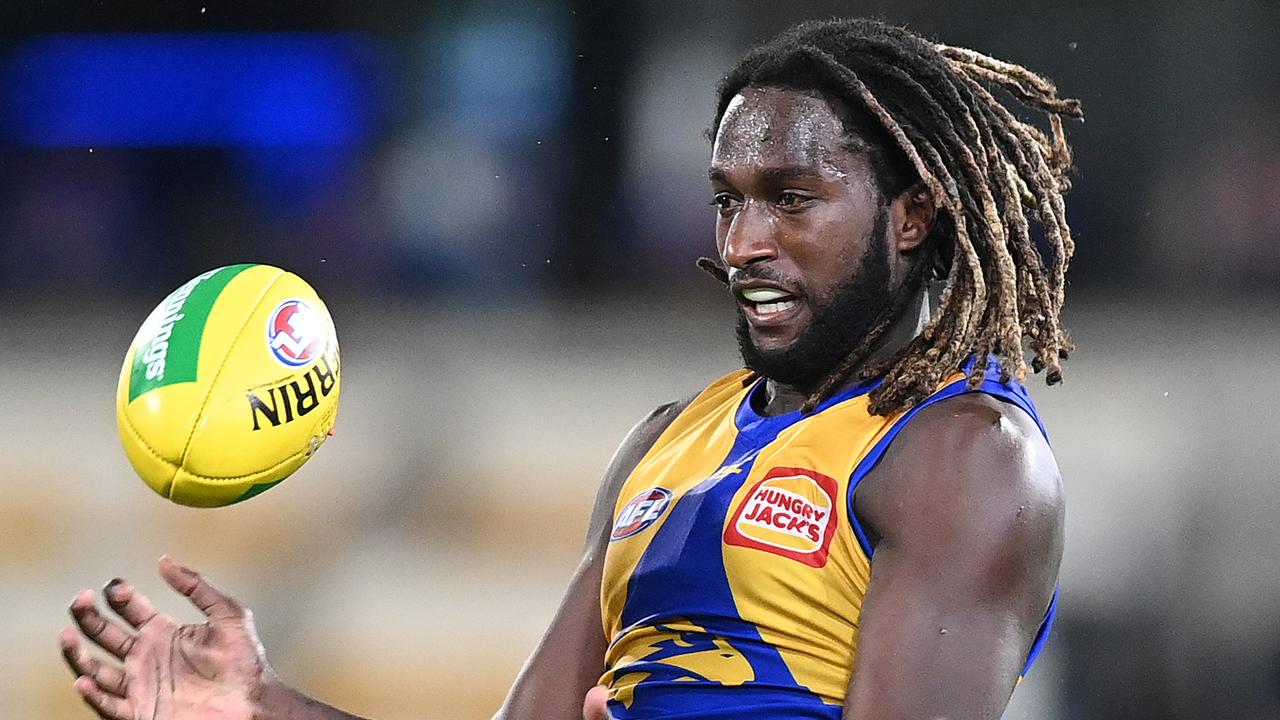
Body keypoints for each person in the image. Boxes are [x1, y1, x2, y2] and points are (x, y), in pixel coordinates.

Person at [59, 17, 1080, 720]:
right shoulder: (668, 442)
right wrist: (262, 704)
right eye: (727, 200)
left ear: (910, 215)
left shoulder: (958, 455)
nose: (744, 242)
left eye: (792, 198)